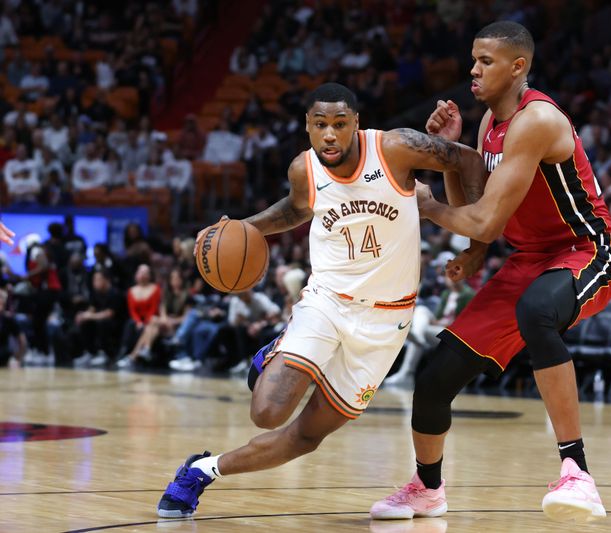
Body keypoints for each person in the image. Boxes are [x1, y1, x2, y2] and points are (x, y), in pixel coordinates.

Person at [156, 83, 485, 518]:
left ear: (356, 125)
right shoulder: (304, 169)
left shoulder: (395, 148)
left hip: (388, 322)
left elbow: (469, 159)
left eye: (339, 124)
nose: (329, 134)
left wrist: (476, 241)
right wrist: (236, 228)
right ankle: (280, 347)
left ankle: (202, 470)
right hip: (327, 302)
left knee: (307, 437)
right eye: (320, 125)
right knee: (268, 414)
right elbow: (296, 209)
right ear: (308, 128)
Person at [371, 21, 611, 523]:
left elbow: (483, 218)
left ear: (518, 66)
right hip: (527, 260)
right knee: (435, 375)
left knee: (537, 312)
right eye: (473, 59)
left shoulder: (537, 121)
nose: (473, 69)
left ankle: (577, 472)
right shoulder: (488, 124)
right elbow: (485, 209)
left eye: (485, 61)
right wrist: (451, 175)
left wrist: (429, 205)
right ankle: (427, 487)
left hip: (585, 250)